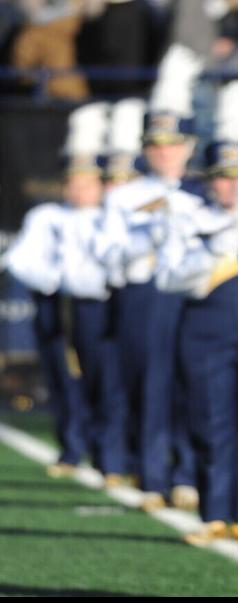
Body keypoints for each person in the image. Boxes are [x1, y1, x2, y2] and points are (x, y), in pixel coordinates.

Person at [156, 81, 238, 547]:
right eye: (225, 177)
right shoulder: (189, 220)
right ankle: (214, 511)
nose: (235, 186)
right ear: (210, 180)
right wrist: (211, 256)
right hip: (205, 332)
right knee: (210, 421)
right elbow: (167, 278)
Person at [92, 44, 206, 514]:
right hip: (145, 292)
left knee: (193, 383)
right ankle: (154, 473)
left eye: (173, 144)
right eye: (156, 145)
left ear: (190, 146)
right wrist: (147, 239)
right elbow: (108, 255)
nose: (165, 152)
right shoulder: (125, 196)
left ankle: (188, 473)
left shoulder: (204, 192)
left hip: (197, 295)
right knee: (150, 383)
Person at [3, 102, 109, 477]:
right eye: (74, 183)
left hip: (98, 308)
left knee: (103, 378)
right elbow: (17, 260)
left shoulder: (110, 216)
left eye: (87, 183)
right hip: (56, 305)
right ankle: (70, 446)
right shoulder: (46, 216)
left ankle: (107, 450)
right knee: (63, 378)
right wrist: (52, 278)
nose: (79, 190)